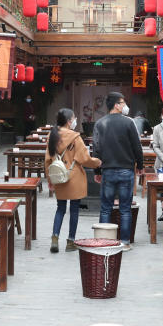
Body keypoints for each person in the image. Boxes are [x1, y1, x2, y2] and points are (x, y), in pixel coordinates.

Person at [45, 108, 101, 253]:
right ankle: (70, 241)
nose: (75, 120)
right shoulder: (76, 137)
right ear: (70, 121)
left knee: (60, 209)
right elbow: (84, 159)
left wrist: (50, 179)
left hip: (59, 176)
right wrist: (97, 162)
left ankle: (55, 238)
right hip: (74, 176)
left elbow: (47, 160)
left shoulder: (52, 135)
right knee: (74, 210)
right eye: (74, 118)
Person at [93, 92, 143, 249]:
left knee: (106, 207)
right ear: (116, 105)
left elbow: (96, 150)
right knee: (125, 209)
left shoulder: (100, 124)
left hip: (107, 170)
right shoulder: (128, 123)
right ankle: (125, 242)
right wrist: (140, 166)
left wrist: (97, 172)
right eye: (123, 103)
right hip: (126, 171)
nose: (125, 106)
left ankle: (104, 241)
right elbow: (137, 147)